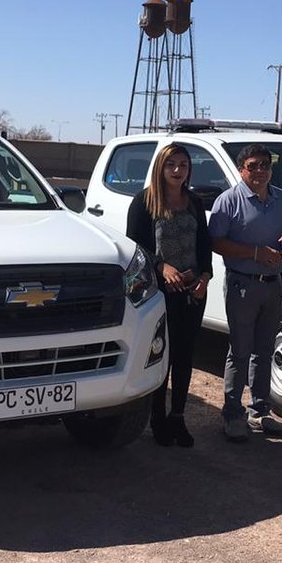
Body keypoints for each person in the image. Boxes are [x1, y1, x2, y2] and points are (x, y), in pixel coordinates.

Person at [208, 144, 282, 442]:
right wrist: (256, 252)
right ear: (241, 169)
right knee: (240, 351)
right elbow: (216, 242)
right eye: (253, 165)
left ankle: (260, 411)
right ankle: (232, 414)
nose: (260, 170)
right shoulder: (229, 201)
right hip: (242, 284)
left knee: (264, 350)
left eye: (265, 165)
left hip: (273, 285)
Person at [126, 143, 213, 448]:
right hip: (159, 294)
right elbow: (134, 247)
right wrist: (161, 267)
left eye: (183, 165)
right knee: (160, 355)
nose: (178, 171)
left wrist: (204, 276)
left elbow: (204, 244)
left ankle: (178, 417)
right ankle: (157, 418)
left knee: (184, 356)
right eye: (171, 165)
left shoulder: (194, 202)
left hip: (191, 292)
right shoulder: (144, 202)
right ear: (160, 167)